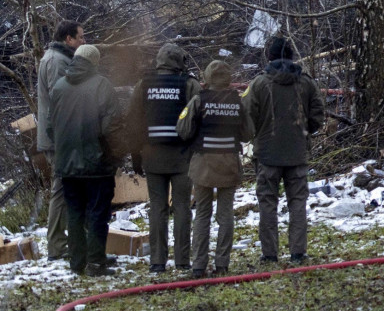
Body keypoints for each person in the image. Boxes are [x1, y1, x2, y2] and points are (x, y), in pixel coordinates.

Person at [244, 37, 325, 263]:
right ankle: (298, 252)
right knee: (297, 203)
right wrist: (305, 131)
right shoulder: (306, 83)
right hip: (297, 153)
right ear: (291, 56)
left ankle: (270, 254)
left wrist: (257, 135)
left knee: (268, 204)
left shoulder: (259, 84)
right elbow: (318, 112)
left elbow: (247, 116)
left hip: (267, 154)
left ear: (269, 57)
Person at [126, 43, 201, 274]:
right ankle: (182, 261)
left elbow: (134, 122)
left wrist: (135, 154)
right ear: (179, 62)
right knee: (181, 208)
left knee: (157, 208)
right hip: (182, 158)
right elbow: (199, 118)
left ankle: (157, 261)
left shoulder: (143, 85)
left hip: (152, 156)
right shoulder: (189, 84)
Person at [48, 44, 120, 276]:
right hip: (97, 163)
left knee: (75, 213)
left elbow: (50, 127)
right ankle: (96, 263)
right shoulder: (102, 85)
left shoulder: (59, 87)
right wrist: (113, 154)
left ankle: (77, 262)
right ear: (95, 62)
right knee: (98, 213)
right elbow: (112, 127)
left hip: (67, 164)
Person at [177, 60, 247, 279]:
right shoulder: (237, 102)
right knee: (225, 215)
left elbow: (183, 130)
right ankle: (222, 264)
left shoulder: (198, 100)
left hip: (203, 165)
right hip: (228, 164)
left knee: (202, 215)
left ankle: (198, 265)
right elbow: (248, 133)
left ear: (206, 77)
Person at [36, 20, 84, 261]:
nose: (83, 42)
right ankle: (57, 246)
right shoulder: (57, 61)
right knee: (61, 190)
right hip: (60, 139)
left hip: (60, 137)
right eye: (80, 37)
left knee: (65, 189)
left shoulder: (57, 57)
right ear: (69, 39)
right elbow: (60, 102)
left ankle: (62, 243)